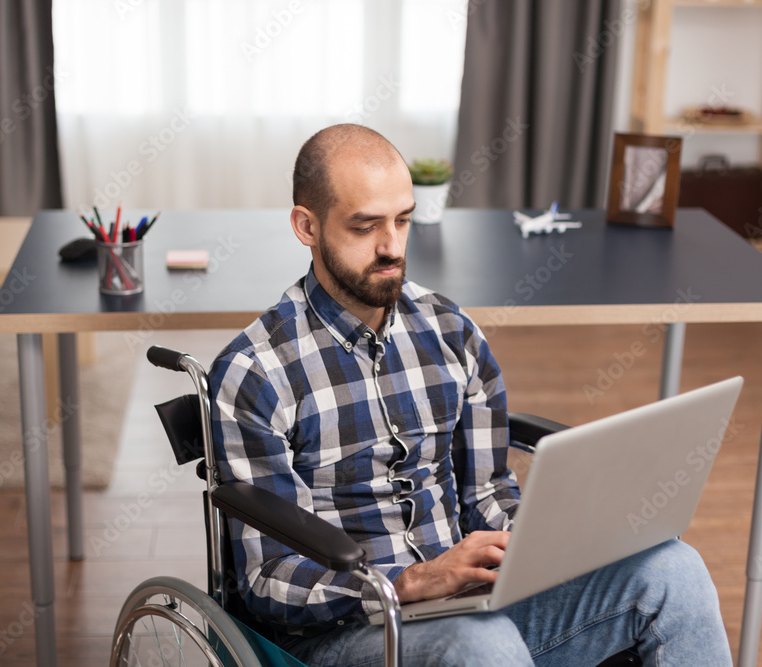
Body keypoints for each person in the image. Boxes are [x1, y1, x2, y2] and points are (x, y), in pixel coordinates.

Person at [208, 124, 733, 666]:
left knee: (672, 570)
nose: (391, 246)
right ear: (306, 226)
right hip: (351, 633)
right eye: (365, 226)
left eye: (403, 220)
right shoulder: (256, 373)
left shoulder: (450, 330)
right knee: (482, 644)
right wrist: (413, 581)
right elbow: (270, 580)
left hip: (472, 604)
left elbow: (486, 496)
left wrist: (556, 541)